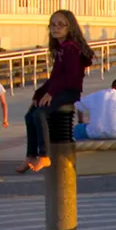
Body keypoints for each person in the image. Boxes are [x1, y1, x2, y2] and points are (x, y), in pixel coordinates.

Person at [22, 11, 94, 174]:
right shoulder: (61, 49)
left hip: (69, 92)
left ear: (70, 27)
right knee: (30, 114)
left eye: (60, 24)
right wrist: (39, 93)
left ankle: (44, 154)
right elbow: (54, 78)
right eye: (52, 24)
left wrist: (52, 93)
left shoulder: (71, 49)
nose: (55, 28)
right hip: (59, 90)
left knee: (40, 114)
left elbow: (70, 76)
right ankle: (31, 155)